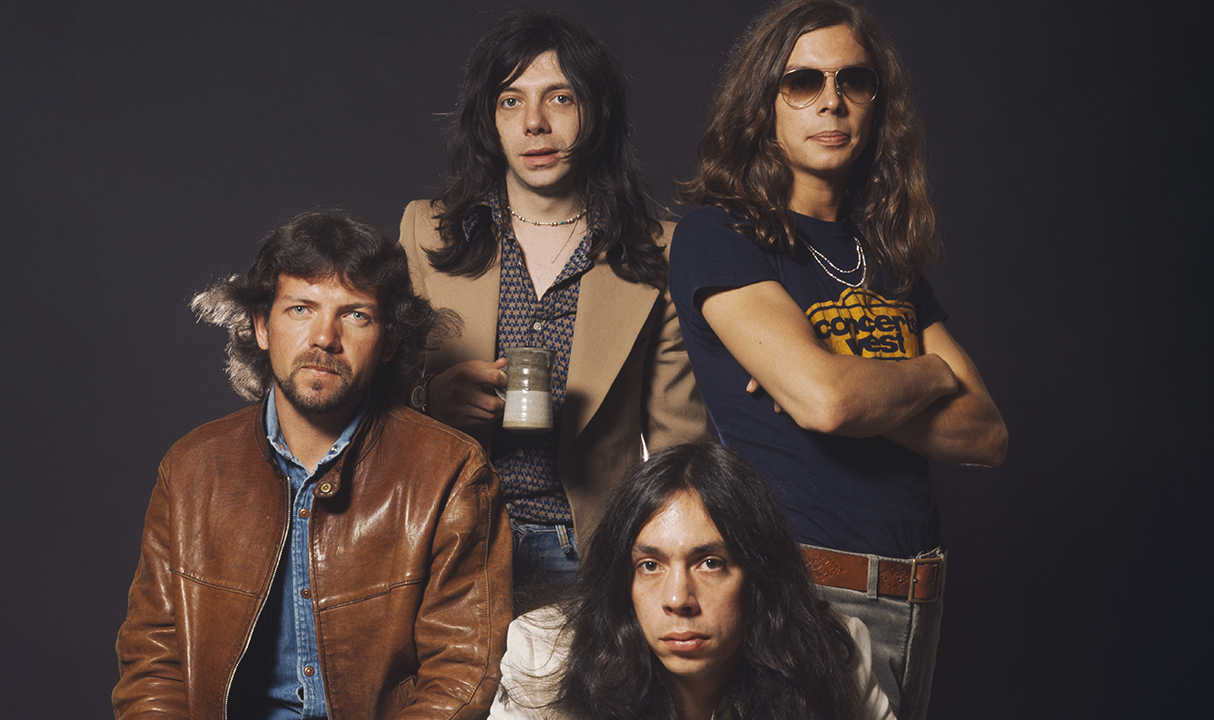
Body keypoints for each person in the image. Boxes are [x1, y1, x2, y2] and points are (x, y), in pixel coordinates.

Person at [669, 2, 1008, 718]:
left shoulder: (884, 258)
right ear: (763, 102)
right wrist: (929, 374)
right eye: (802, 82)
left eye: (853, 80)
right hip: (806, 596)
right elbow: (831, 403)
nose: (831, 100)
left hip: (920, 599)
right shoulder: (718, 235)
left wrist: (841, 382)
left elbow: (986, 433)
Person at [112, 211, 511, 719]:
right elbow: (153, 662)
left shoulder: (451, 472)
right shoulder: (191, 470)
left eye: (356, 315)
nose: (325, 337)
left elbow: (462, 672)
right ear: (261, 325)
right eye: (302, 309)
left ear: (389, 341)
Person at [399, 9, 707, 605]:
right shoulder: (425, 232)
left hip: (591, 552)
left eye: (559, 98)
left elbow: (679, 444)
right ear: (488, 119)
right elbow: (368, 405)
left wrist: (663, 564)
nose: (534, 124)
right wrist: (428, 400)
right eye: (511, 101)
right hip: (448, 542)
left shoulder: (659, 251)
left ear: (596, 110)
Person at [490, 443, 894, 720]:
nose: (677, 599)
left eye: (711, 563)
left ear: (759, 575)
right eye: (650, 565)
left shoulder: (832, 653)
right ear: (620, 580)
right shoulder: (543, 655)